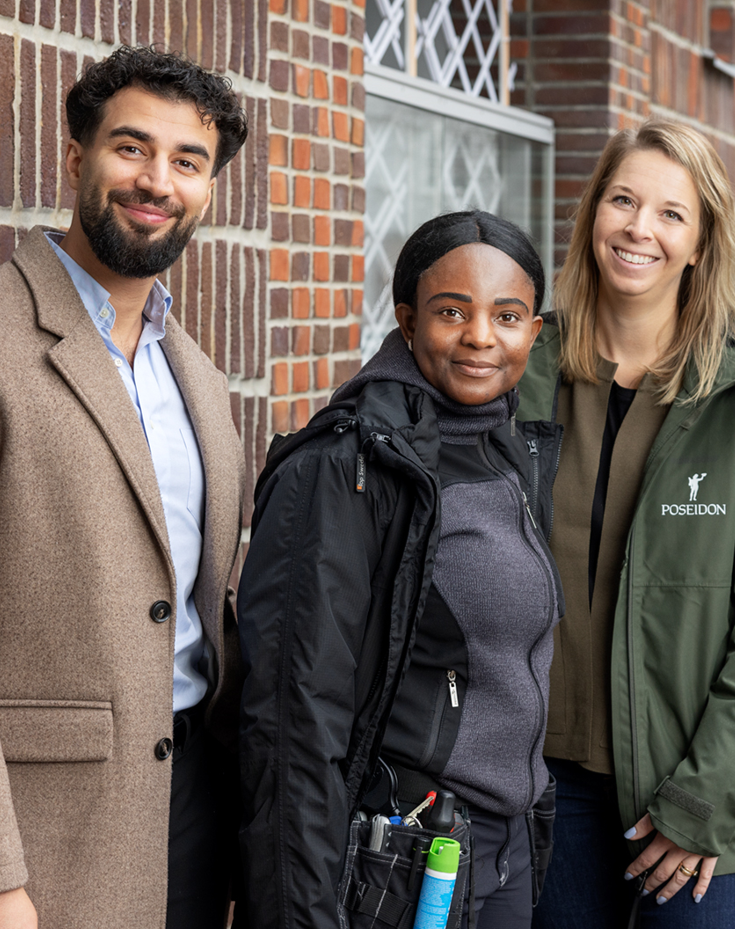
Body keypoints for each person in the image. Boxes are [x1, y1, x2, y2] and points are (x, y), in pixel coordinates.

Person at [0, 46, 249, 929]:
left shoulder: (202, 380)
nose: (157, 180)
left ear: (210, 188)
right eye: (131, 148)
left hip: (191, 814)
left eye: (188, 162)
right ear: (77, 159)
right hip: (37, 840)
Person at [521, 120, 735, 929]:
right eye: (621, 201)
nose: (638, 229)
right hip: (547, 782)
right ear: (592, 215)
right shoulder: (525, 372)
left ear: (700, 243)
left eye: (669, 213)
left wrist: (703, 794)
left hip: (700, 793)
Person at [237, 211, 560, 929]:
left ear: (533, 334)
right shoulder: (348, 467)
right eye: (452, 311)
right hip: (398, 863)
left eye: (507, 316)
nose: (481, 336)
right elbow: (293, 718)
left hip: (500, 848)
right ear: (407, 321)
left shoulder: (511, 451)